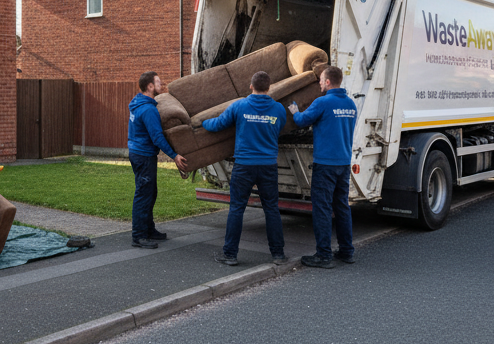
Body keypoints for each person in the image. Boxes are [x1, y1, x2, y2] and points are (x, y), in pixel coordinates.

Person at [202, 70, 287, 266]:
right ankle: (278, 254)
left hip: (244, 165)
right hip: (268, 166)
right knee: (272, 209)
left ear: (251, 86)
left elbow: (217, 125)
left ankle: (230, 255)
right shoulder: (278, 109)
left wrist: (201, 123)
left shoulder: (240, 106)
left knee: (237, 209)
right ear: (269, 87)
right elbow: (279, 128)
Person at [289, 65, 356, 268]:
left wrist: (294, 111)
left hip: (325, 164)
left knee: (322, 209)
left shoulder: (323, 102)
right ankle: (347, 251)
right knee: (342, 207)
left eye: (320, 80)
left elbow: (302, 121)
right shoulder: (351, 104)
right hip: (343, 164)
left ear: (328, 82)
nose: (318, 83)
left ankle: (324, 255)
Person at [127, 71, 188, 249]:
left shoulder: (138, 104)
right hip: (144, 156)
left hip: (139, 154)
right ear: (150, 86)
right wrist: (175, 156)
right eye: (158, 82)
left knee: (150, 193)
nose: (161, 85)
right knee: (143, 195)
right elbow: (157, 138)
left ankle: (148, 230)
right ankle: (138, 236)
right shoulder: (148, 109)